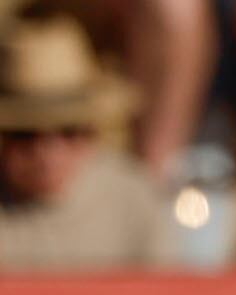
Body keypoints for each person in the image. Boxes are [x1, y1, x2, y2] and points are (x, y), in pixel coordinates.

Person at [0, 19, 172, 268]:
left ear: (93, 133)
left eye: (68, 131)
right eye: (25, 134)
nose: (47, 151)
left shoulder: (133, 200)